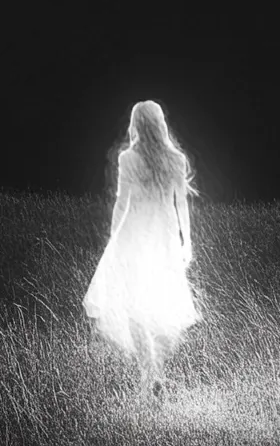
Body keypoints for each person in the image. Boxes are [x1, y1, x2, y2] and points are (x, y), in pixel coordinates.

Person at [83, 100, 200, 397]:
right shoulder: (176, 158)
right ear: (160, 123)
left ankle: (150, 375)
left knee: (134, 308)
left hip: (134, 235)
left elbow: (123, 202)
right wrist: (186, 241)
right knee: (156, 304)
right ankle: (154, 374)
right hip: (163, 237)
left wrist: (113, 238)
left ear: (136, 124)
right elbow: (180, 206)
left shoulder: (128, 158)